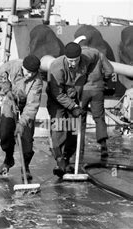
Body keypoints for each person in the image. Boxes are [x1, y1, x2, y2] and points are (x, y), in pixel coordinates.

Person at [46, 42, 92, 177]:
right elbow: (57, 93)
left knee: (73, 129)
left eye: (75, 60)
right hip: (57, 100)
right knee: (59, 127)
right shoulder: (57, 67)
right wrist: (73, 106)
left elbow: (85, 80)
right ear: (66, 58)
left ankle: (68, 158)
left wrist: (81, 100)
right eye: (70, 61)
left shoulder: (86, 61)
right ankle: (59, 159)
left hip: (74, 98)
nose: (73, 64)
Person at [0, 55, 43, 180]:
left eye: (32, 73)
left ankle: (25, 166)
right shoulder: (13, 65)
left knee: (26, 137)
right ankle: (8, 159)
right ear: (23, 67)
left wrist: (22, 123)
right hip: (11, 100)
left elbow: (32, 105)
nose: (29, 75)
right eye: (27, 72)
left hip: (26, 105)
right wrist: (6, 88)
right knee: (5, 132)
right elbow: (0, 72)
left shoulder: (37, 81)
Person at [76, 36, 114, 159]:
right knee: (99, 118)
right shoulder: (99, 53)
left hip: (83, 91)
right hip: (98, 89)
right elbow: (110, 70)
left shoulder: (79, 55)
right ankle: (103, 146)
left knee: (80, 119)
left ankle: (79, 149)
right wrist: (103, 79)